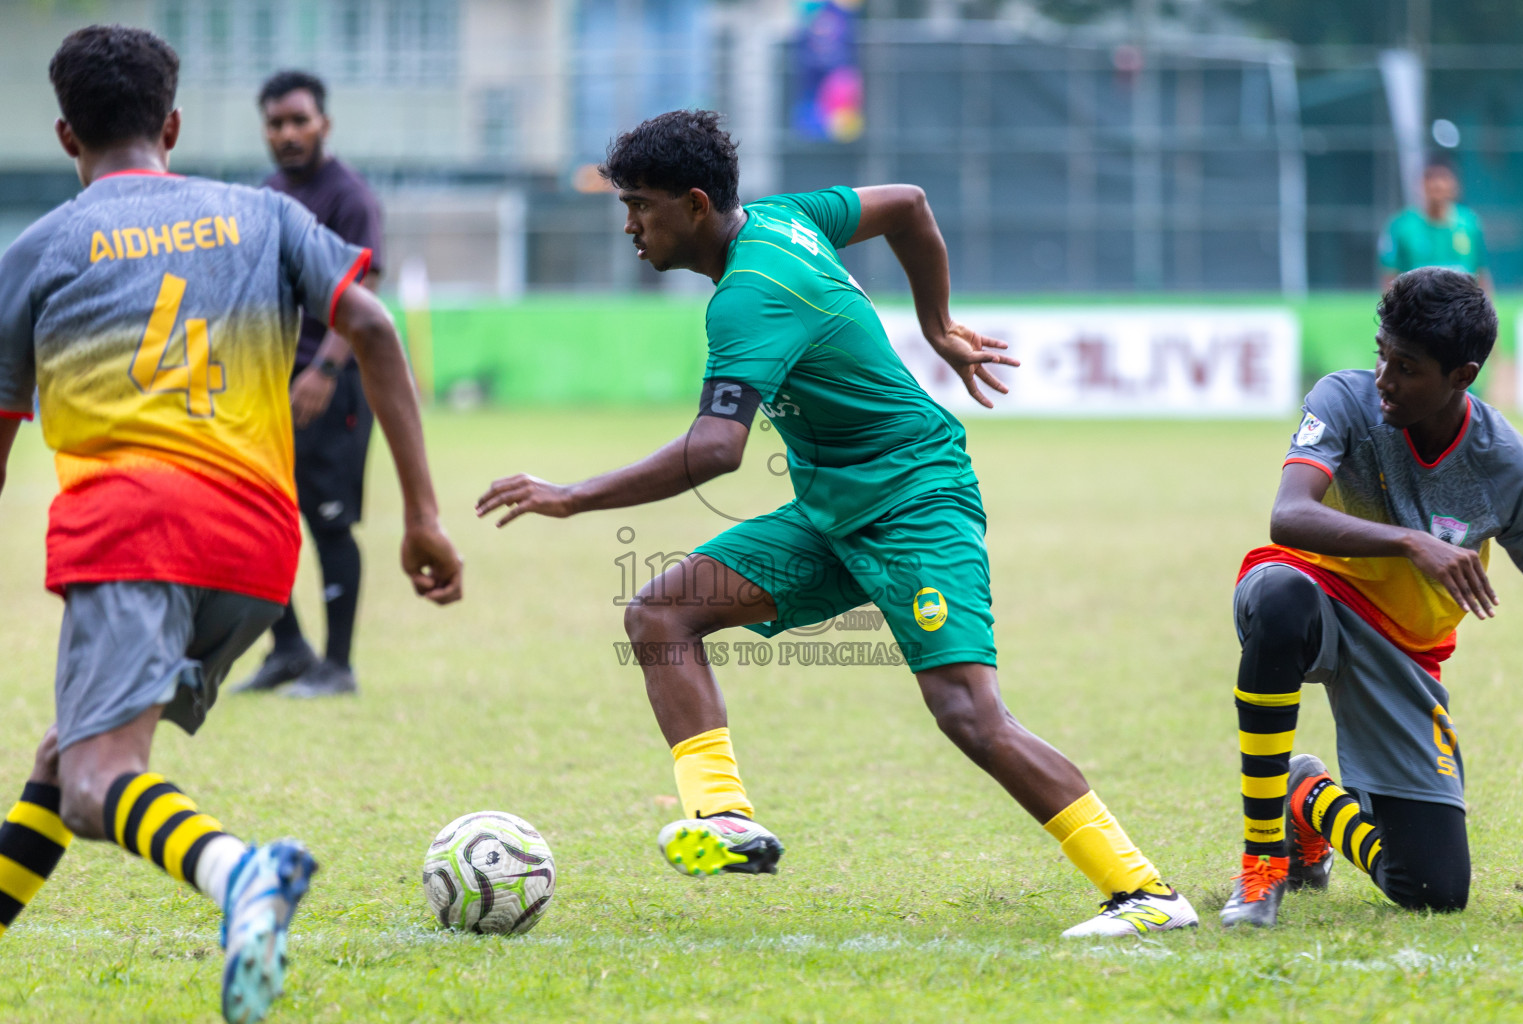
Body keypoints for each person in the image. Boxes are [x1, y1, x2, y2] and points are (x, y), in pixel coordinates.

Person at [475, 109, 1198, 938]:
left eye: (639, 205)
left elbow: (716, 451)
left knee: (968, 713)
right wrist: (936, 326)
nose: (630, 226)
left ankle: (1146, 894)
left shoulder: (747, 298)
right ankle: (724, 821)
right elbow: (911, 207)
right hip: (832, 507)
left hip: (914, 499)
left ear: (697, 204)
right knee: (661, 612)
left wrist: (570, 495)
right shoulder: (790, 217)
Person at [0, 26, 462, 1022]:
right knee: (67, 754)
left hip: (130, 534)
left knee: (97, 780)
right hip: (257, 552)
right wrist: (421, 516)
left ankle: (240, 872)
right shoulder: (262, 213)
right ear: (170, 125)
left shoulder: (33, 252)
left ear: (64, 133)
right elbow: (372, 325)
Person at [1220, 267, 1523, 928]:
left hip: (1403, 648)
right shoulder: (1344, 399)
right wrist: (1410, 542)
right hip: (1311, 596)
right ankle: (1260, 868)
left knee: (1433, 888)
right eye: (1381, 355)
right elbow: (1288, 515)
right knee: (1279, 597)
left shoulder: (1505, 464)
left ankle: (1307, 796)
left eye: (1408, 368)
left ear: (1462, 376)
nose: (1385, 380)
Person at [234, 70, 385, 699]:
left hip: (332, 383)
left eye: (300, 120)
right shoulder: (267, 195)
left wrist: (324, 370)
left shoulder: (349, 197)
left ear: (323, 123)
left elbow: (364, 292)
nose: (288, 133)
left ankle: (338, 664)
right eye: (277, 123)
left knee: (326, 522)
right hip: (268, 386)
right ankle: (288, 648)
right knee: (258, 518)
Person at [1378, 160, 1491, 293]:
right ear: (1421, 185)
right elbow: (1390, 275)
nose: (1437, 184)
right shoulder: (1401, 225)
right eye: (1430, 178)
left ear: (1455, 185)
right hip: (1418, 306)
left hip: (1461, 306)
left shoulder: (1469, 223)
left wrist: (1488, 309)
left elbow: (1481, 272)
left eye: (1443, 178)